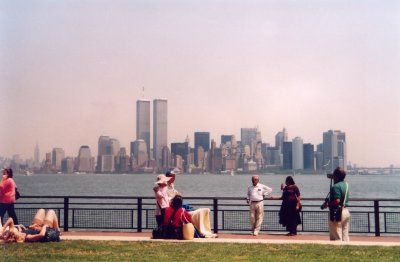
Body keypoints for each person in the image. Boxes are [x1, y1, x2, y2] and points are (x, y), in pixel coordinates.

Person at [322, 167, 350, 241]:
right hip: (346, 211)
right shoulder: (346, 185)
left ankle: (338, 246)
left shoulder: (336, 187)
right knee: (345, 235)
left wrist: (327, 204)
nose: (332, 177)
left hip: (337, 212)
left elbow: (337, 201)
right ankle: (346, 247)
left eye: (334, 175)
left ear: (336, 176)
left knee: (336, 236)